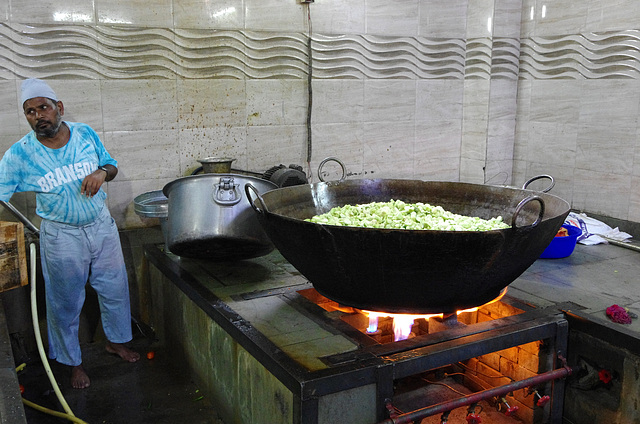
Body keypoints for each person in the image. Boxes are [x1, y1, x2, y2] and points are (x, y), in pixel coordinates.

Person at [0, 78, 140, 389]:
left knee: (115, 289)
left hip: (101, 226)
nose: (38, 116)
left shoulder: (84, 133)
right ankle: (72, 363)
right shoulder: (20, 154)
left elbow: (111, 165)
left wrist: (102, 173)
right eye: (30, 112)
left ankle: (115, 343)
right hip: (62, 237)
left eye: (44, 108)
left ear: (59, 108)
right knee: (65, 302)